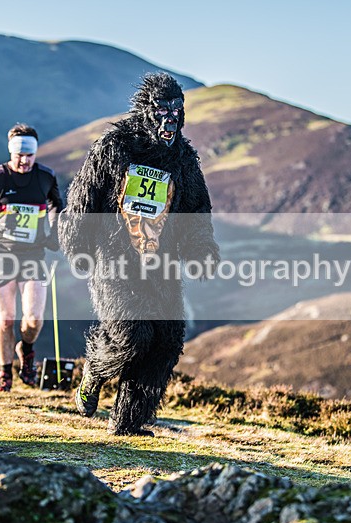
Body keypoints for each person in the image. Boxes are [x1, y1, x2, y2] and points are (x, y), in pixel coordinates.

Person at [59, 72, 219, 436]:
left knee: (166, 339)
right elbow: (83, 197)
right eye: (162, 110)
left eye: (177, 110)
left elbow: (196, 211)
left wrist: (201, 251)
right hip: (113, 258)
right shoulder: (114, 147)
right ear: (147, 111)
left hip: (162, 263)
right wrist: (77, 245)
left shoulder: (183, 160)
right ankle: (94, 371)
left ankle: (128, 424)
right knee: (133, 335)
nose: (170, 119)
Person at [0, 124, 62, 392]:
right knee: (6, 319)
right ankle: (5, 373)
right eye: (19, 155)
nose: (24, 161)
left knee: (33, 319)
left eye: (29, 155)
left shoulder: (45, 176)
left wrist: (54, 231)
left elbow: (57, 205)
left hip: (33, 254)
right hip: (1, 255)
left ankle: (28, 350)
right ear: (11, 152)